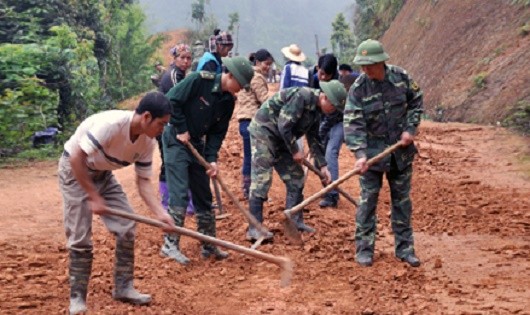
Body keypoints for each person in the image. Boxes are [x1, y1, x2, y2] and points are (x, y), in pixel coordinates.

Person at [58, 92, 176, 314]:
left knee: (126, 226)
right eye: (161, 124)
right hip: (75, 172)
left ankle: (124, 287)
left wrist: (161, 213)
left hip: (103, 174)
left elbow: (142, 182)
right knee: (80, 236)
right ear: (147, 117)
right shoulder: (111, 125)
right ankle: (77, 298)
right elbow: (76, 157)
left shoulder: (148, 142)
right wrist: (93, 196)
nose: (163, 129)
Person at [160, 56, 254, 265]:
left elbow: (217, 133)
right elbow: (171, 100)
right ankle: (170, 244)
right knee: (180, 190)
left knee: (203, 192)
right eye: (239, 84)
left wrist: (212, 159)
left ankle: (208, 244)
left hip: (196, 144)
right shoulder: (198, 80)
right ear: (230, 76)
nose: (239, 90)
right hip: (176, 139)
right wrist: (181, 128)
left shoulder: (228, 101)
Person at [343, 39, 423, 268]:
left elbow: (416, 101)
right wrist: (359, 154)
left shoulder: (401, 78)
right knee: (367, 202)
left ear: (381, 62)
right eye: (362, 66)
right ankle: (365, 249)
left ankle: (405, 249)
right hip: (371, 156)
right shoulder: (358, 89)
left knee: (402, 202)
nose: (365, 70)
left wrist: (410, 128)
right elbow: (353, 123)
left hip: (400, 153)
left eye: (369, 65)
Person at [246, 80, 347, 241]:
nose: (333, 111)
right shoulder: (302, 96)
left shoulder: (318, 111)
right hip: (264, 132)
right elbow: (284, 125)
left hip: (282, 139)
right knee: (262, 179)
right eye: (333, 107)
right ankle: (254, 228)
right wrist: (295, 150)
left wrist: (323, 166)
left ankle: (294, 220)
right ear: (325, 98)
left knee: (296, 178)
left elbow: (314, 138)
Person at [157, 43, 194, 215]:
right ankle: (167, 202)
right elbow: (177, 103)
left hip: (172, 124)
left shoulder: (180, 74)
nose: (186, 61)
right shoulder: (173, 76)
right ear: (175, 58)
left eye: (188, 58)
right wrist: (182, 128)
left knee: (176, 162)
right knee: (170, 162)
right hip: (167, 125)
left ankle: (181, 200)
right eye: (182, 58)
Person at [235, 49, 274, 199]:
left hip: (244, 121)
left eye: (270, 65)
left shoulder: (248, 74)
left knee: (250, 156)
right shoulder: (256, 77)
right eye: (266, 64)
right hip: (252, 121)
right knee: (255, 158)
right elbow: (264, 100)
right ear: (257, 62)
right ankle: (252, 190)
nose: (268, 67)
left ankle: (248, 189)